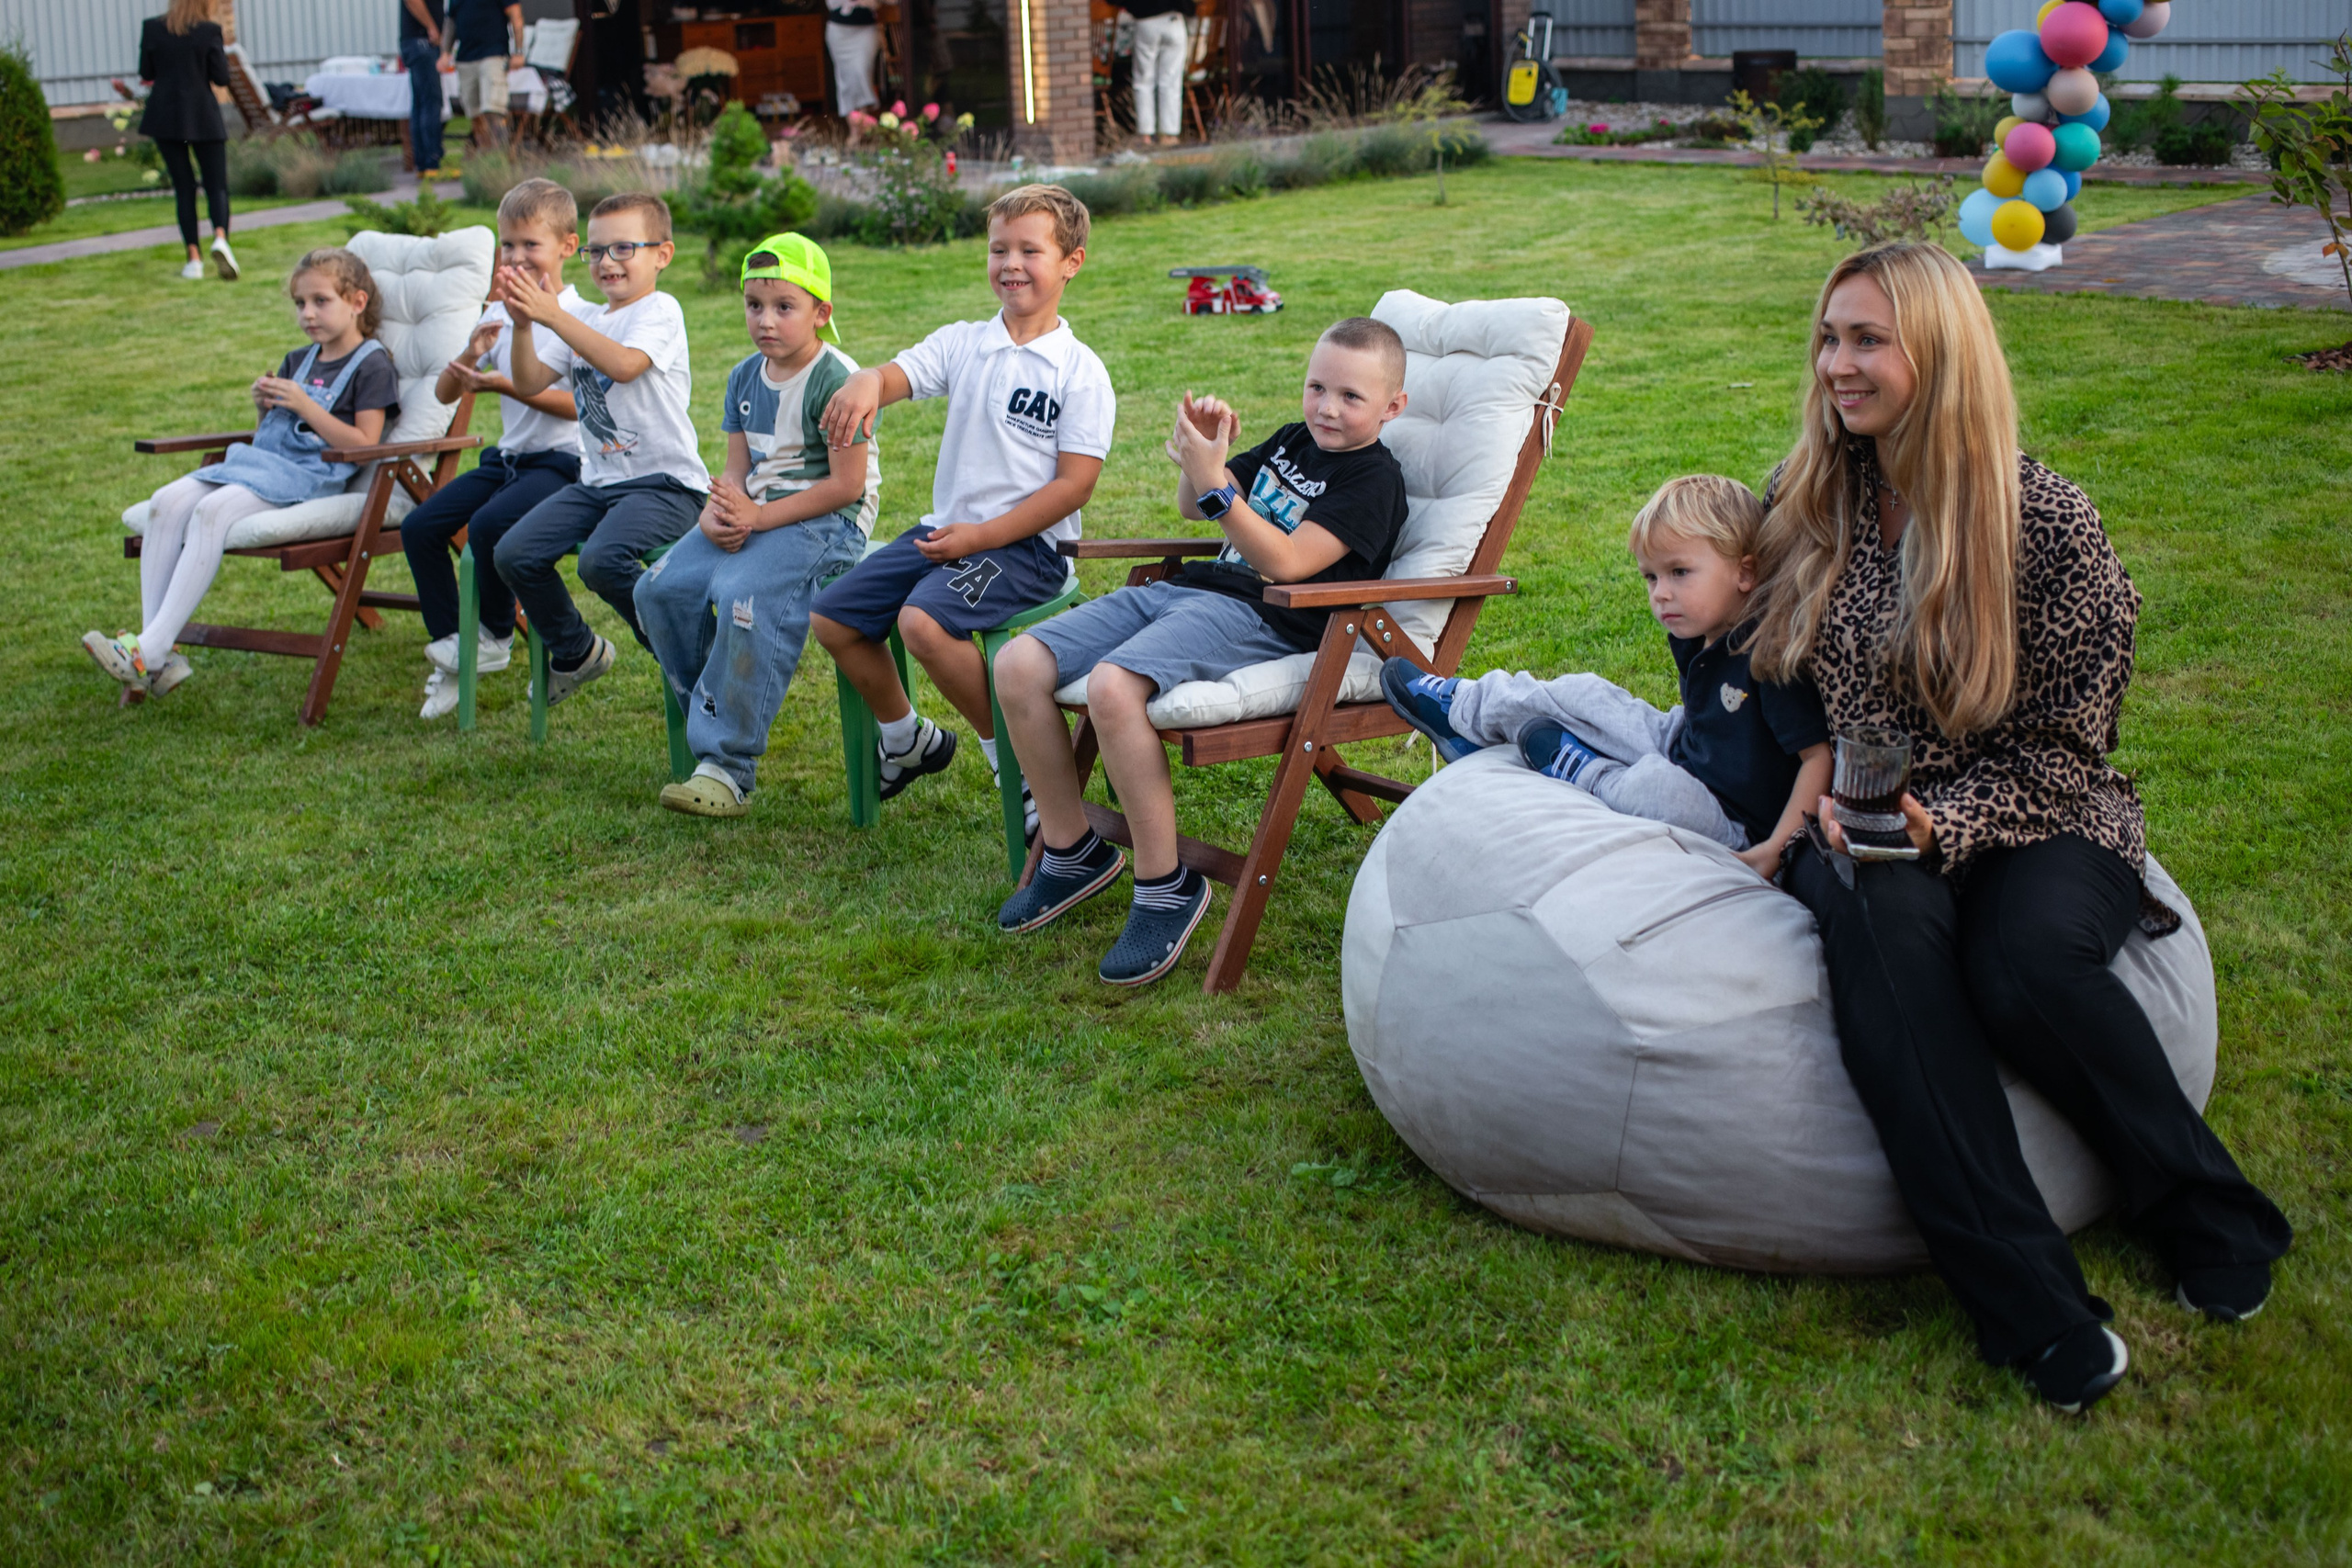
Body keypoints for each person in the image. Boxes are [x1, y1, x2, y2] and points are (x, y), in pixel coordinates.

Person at [1755, 242, 2290, 1414]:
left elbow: (2068, 742)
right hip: (1866, 822)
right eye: (1829, 338)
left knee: (2022, 967)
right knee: (1891, 958)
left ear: (1937, 356)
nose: (1836, 365)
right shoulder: (1811, 498)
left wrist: (1946, 820)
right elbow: (1743, 635)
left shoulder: (2043, 520)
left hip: (2037, 807)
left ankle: (2206, 1210)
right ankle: (2027, 1302)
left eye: (1867, 341)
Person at [991, 316, 1409, 987]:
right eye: (1317, 387)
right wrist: (1203, 460)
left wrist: (1220, 487)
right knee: (1017, 664)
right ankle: (1071, 851)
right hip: (1191, 589)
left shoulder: (1373, 481)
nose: (1328, 407)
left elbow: (1288, 562)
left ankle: (1166, 886)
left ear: (1393, 407)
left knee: (1112, 687)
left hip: (1265, 616)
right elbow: (1197, 508)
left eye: (1351, 397)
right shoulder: (1295, 440)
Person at [809, 185, 1113, 833]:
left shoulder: (1079, 371)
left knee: (921, 622)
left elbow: (1073, 488)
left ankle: (1020, 766)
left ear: (1071, 262)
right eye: (998, 248)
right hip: (948, 531)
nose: (1010, 263)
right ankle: (905, 738)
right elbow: (898, 375)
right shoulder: (966, 341)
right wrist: (866, 380)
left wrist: (981, 536)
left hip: (1031, 549)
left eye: (1030, 249)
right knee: (833, 616)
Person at [1380, 474, 1832, 881]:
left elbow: (1818, 759)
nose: (1661, 594)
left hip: (1733, 819)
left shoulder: (1770, 656)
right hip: (1686, 746)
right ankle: (1460, 708)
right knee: (1587, 694)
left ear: (1745, 572)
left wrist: (1776, 848)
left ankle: (1586, 771)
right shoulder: (1698, 630)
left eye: (1679, 573)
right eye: (1651, 577)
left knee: (1658, 790)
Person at [636, 233, 880, 818]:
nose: (766, 321)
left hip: (828, 524)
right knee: (658, 588)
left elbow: (846, 488)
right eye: (754, 306)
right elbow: (736, 469)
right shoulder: (745, 377)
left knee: (739, 592)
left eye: (784, 307)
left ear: (822, 312)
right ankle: (714, 714)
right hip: (758, 514)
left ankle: (727, 767)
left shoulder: (837, 379)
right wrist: (717, 511)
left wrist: (759, 516)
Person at [84, 248, 398, 697]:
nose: (307, 314)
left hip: (309, 476)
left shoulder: (373, 365)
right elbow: (271, 436)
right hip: (262, 464)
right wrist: (264, 409)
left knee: (210, 512)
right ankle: (157, 651)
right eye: (299, 304)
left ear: (357, 302)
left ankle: (150, 651)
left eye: (320, 301)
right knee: (165, 503)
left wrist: (305, 405)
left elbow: (366, 447)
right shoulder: (298, 360)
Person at [494, 192, 710, 705]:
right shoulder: (586, 318)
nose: (606, 262)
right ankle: (576, 650)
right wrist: (526, 324)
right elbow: (527, 383)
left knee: (600, 560)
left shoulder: (660, 309)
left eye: (623, 249)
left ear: (662, 254)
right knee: (514, 553)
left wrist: (554, 315)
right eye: (595, 252)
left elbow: (623, 365)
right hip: (599, 484)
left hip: (666, 485)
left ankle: (693, 656)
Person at [401, 178, 583, 720]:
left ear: (567, 248)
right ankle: (460, 648)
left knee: (486, 527)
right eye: (509, 245)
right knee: (420, 527)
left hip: (563, 464)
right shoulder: (497, 313)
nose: (518, 256)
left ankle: (496, 637)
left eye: (532, 245)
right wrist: (472, 351)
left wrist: (504, 385)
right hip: (509, 460)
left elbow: (578, 408)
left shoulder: (579, 315)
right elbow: (443, 392)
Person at [138, 0, 235, 283]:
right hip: (202, 115)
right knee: (216, 184)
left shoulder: (153, 28)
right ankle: (220, 237)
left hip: (165, 116)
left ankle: (193, 259)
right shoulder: (209, 31)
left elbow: (146, 73)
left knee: (184, 188)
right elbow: (221, 77)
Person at [447, 0, 525, 150]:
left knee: (494, 110)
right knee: (474, 114)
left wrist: (519, 52)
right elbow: (450, 22)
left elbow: (516, 15)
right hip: (465, 59)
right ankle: (485, 157)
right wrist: (445, 53)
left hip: (493, 55)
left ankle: (499, 157)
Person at [1123, 0, 1193, 146]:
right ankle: (1169, 135)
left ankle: (1145, 135)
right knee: (1171, 81)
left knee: (1143, 81)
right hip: (1174, 20)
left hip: (1146, 21)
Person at [399, 0, 447, 177]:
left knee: (420, 104)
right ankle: (432, 162)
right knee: (431, 102)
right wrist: (432, 27)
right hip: (422, 42)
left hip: (416, 43)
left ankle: (423, 164)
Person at [824, 0, 881, 117]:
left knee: (861, 71)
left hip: (866, 30)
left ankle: (863, 116)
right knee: (846, 78)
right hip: (839, 31)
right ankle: (854, 125)